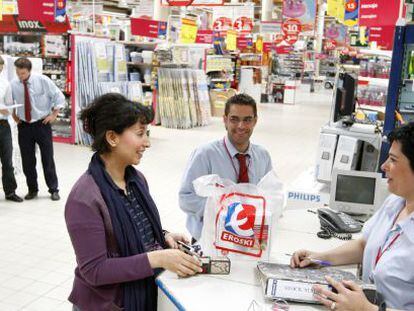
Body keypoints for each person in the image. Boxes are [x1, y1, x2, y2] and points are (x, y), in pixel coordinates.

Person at [65, 93, 202, 311]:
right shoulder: (84, 199)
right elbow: (95, 270)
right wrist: (158, 258)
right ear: (112, 138)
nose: (147, 143)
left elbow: (131, 229)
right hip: (106, 304)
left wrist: (161, 236)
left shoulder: (136, 180)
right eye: (140, 134)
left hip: (138, 294)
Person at [290, 122, 414, 311]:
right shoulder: (395, 203)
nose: (384, 166)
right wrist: (320, 258)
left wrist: (367, 309)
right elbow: (364, 245)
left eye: (393, 160)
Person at [179, 93, 273, 241]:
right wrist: (225, 211)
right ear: (225, 120)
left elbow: (269, 195)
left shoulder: (263, 156)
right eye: (234, 119)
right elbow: (186, 199)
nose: (241, 126)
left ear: (255, 121)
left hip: (248, 239)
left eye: (247, 120)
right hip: (210, 239)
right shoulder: (205, 154)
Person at [11, 57, 65, 201]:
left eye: (22, 73)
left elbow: (58, 96)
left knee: (47, 158)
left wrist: (54, 114)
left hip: (42, 124)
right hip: (24, 127)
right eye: (17, 73)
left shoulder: (42, 81)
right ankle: (32, 189)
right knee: (27, 160)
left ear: (29, 71)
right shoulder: (14, 84)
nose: (20, 76)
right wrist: (15, 116)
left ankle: (53, 189)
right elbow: (9, 102)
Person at [0, 55, 23, 203]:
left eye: (1, 68)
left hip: (2, 125)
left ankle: (10, 192)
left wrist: (7, 110)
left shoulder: (5, 83)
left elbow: (8, 105)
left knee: (7, 160)